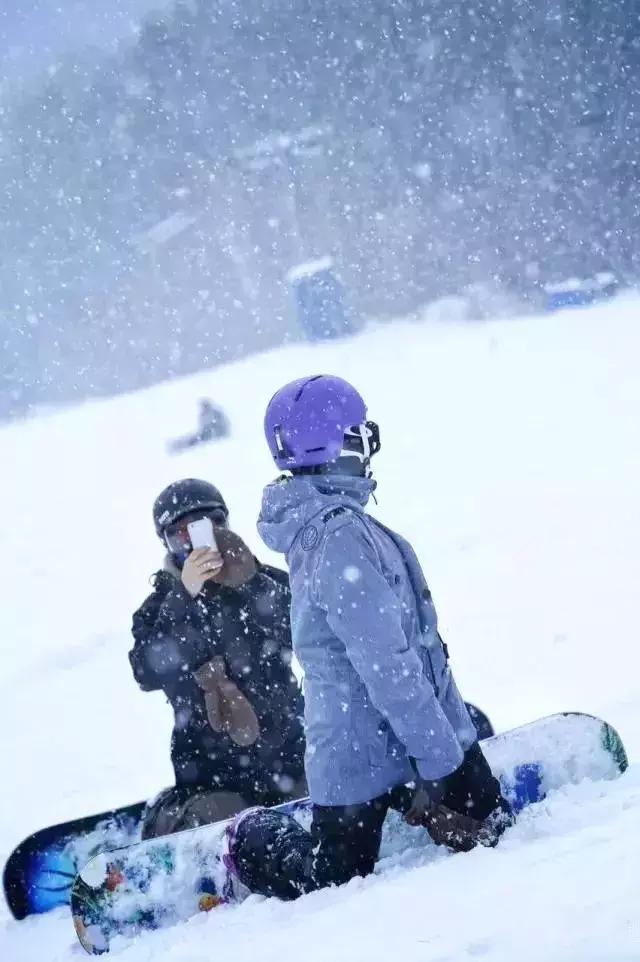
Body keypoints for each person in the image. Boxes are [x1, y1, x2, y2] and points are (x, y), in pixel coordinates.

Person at [226, 376, 512, 898]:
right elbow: (388, 665)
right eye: (360, 434)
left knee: (496, 829)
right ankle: (252, 839)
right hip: (359, 754)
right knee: (332, 882)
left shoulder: (339, 529)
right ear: (337, 444)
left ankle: (407, 794)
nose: (368, 445)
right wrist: (440, 767)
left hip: (420, 732)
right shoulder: (338, 539)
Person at [129, 478, 306, 838]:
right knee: (226, 818)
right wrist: (184, 596)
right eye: (181, 534)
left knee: (318, 794)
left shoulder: (265, 582)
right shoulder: (159, 609)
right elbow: (146, 670)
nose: (195, 542)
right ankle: (167, 816)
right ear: (166, 542)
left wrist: (251, 583)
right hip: (210, 778)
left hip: (290, 758)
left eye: (207, 527)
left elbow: (308, 632)